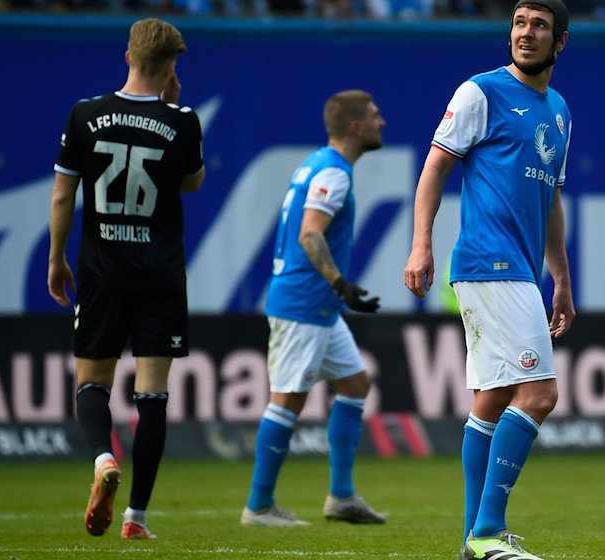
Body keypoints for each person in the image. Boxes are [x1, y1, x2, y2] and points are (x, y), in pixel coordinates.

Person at [403, 0, 574, 558]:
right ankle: (487, 531)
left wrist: (562, 280)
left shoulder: (560, 111)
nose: (526, 34)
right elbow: (434, 167)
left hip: (518, 271)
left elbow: (550, 202)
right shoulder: (480, 92)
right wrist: (421, 243)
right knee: (541, 393)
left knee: (494, 397)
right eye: (520, 24)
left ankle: (473, 539)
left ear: (560, 42)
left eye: (539, 26)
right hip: (489, 262)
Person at [47, 17, 205, 541]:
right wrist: (172, 105)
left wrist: (56, 258)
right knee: (153, 395)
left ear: (127, 56)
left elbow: (63, 196)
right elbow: (193, 183)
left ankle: (101, 459)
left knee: (91, 383)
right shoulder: (182, 120)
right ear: (170, 68)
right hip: (159, 276)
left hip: (101, 273)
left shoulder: (85, 113)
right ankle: (136, 518)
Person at [241, 90, 387, 528]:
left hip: (318, 306)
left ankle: (341, 497)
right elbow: (310, 234)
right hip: (304, 302)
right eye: (377, 116)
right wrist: (341, 284)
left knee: (356, 385)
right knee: (286, 402)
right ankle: (259, 506)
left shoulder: (317, 163)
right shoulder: (334, 173)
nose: (384, 122)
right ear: (356, 127)